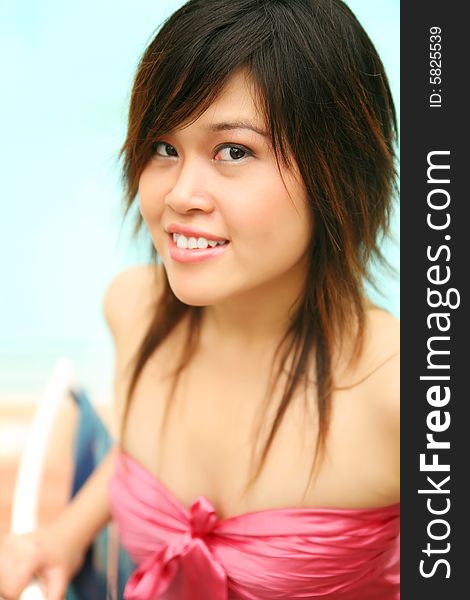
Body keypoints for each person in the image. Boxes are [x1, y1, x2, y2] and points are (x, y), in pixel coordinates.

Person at [0, 0, 400, 598]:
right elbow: (137, 451)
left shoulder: (396, 390)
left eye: (233, 151)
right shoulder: (132, 312)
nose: (180, 195)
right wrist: (64, 535)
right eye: (163, 147)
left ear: (338, 171)